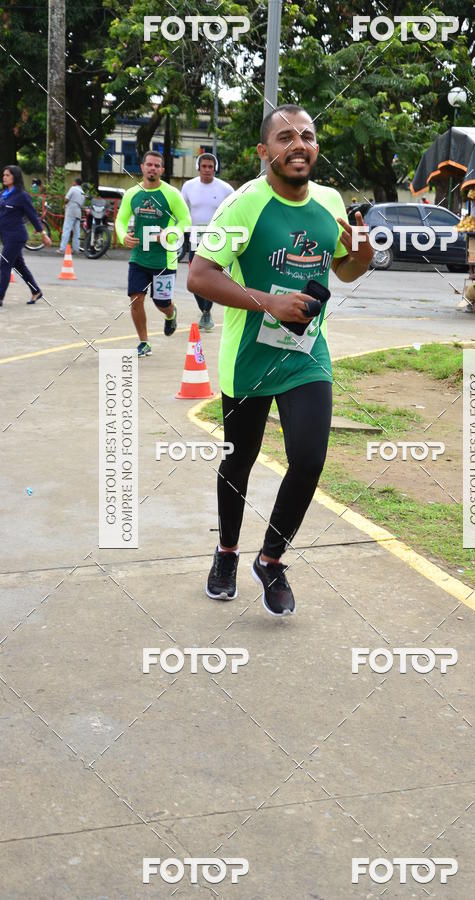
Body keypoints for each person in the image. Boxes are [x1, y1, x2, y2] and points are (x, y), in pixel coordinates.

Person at [188, 104, 373, 616]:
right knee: (239, 462)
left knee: (309, 459)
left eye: (308, 136)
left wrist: (363, 254)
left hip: (305, 354)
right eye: (286, 136)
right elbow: (200, 276)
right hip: (249, 359)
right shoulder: (243, 205)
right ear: (264, 151)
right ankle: (226, 551)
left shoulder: (331, 201)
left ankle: (270, 559)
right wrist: (268, 301)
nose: (299, 144)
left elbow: (347, 269)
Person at [115, 150, 191, 358]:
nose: (153, 168)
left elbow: (185, 221)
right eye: (149, 165)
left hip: (164, 259)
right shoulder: (132, 194)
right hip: (139, 257)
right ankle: (144, 342)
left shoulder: (171, 194)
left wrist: (170, 233)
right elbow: (120, 220)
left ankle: (171, 314)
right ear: (142, 167)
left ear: (162, 170)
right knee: (135, 299)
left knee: (161, 304)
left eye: (157, 166)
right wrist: (123, 237)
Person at [182, 152, 233, 332]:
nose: (207, 170)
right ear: (198, 167)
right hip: (194, 237)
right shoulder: (188, 187)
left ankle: (207, 311)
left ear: (215, 168)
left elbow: (234, 212)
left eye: (210, 167)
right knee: (194, 278)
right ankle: (203, 308)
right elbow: (182, 211)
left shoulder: (225, 189)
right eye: (203, 166)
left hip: (215, 239)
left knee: (210, 276)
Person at [0, 165, 51, 307]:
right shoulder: (3, 194)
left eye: (7, 175)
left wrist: (43, 234)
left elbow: (33, 216)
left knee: (4, 264)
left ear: (15, 177)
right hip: (6, 235)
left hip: (16, 236)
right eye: (4, 175)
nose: (4, 177)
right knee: (19, 266)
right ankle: (36, 291)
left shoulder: (22, 196)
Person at [58, 176, 86, 255]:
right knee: (77, 231)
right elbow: (82, 204)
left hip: (71, 210)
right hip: (78, 212)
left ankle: (62, 249)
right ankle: (76, 249)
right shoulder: (82, 192)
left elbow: (66, 199)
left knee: (67, 229)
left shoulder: (73, 188)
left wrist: (64, 204)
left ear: (75, 182)